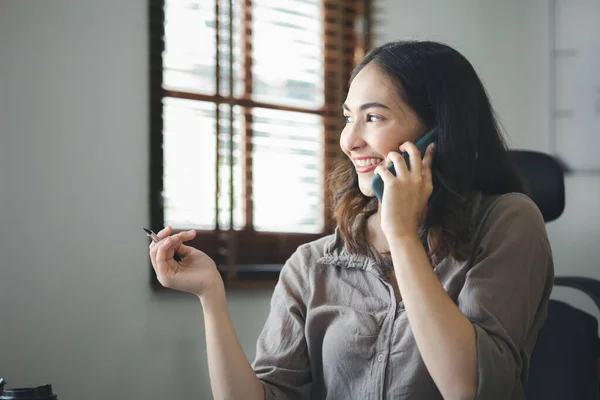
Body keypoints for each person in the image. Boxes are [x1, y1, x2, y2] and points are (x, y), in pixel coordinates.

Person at [149, 40, 554, 400]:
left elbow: (468, 388)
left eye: (373, 118)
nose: (349, 140)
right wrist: (210, 295)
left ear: (438, 132)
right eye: (348, 118)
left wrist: (401, 234)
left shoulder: (508, 222)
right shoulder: (313, 264)